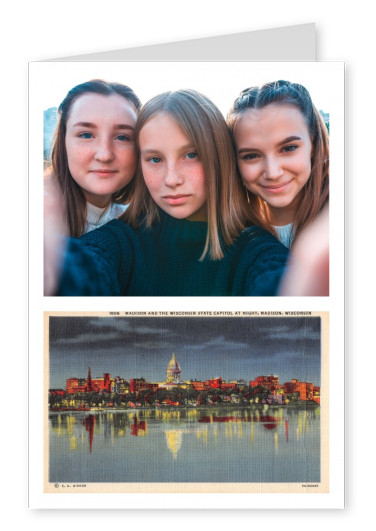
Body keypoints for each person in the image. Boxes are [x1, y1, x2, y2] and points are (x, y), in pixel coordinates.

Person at [48, 89, 289, 296]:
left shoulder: (257, 251)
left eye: (191, 155)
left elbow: (281, 285)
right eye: (155, 159)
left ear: (218, 157)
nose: (171, 179)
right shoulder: (122, 241)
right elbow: (85, 267)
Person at [227, 80, 329, 249]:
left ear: (314, 145)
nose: (273, 172)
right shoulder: (232, 237)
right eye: (251, 155)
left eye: (288, 148)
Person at [47, 79, 141, 237]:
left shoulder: (139, 227)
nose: (104, 155)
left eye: (122, 137)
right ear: (64, 142)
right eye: (86, 135)